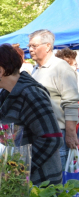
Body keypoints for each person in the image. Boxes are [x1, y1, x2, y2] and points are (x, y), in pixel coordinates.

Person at [0, 44, 63, 185]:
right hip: (18, 182)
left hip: (39, 185)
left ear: (1, 71)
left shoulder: (31, 94)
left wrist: (20, 167)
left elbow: (52, 139)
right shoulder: (6, 93)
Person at [29, 29, 79, 170]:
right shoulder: (36, 70)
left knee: (59, 182)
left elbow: (70, 103)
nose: (30, 49)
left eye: (34, 46)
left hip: (59, 134)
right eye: (29, 46)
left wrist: (70, 134)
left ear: (48, 46)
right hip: (41, 134)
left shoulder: (61, 68)